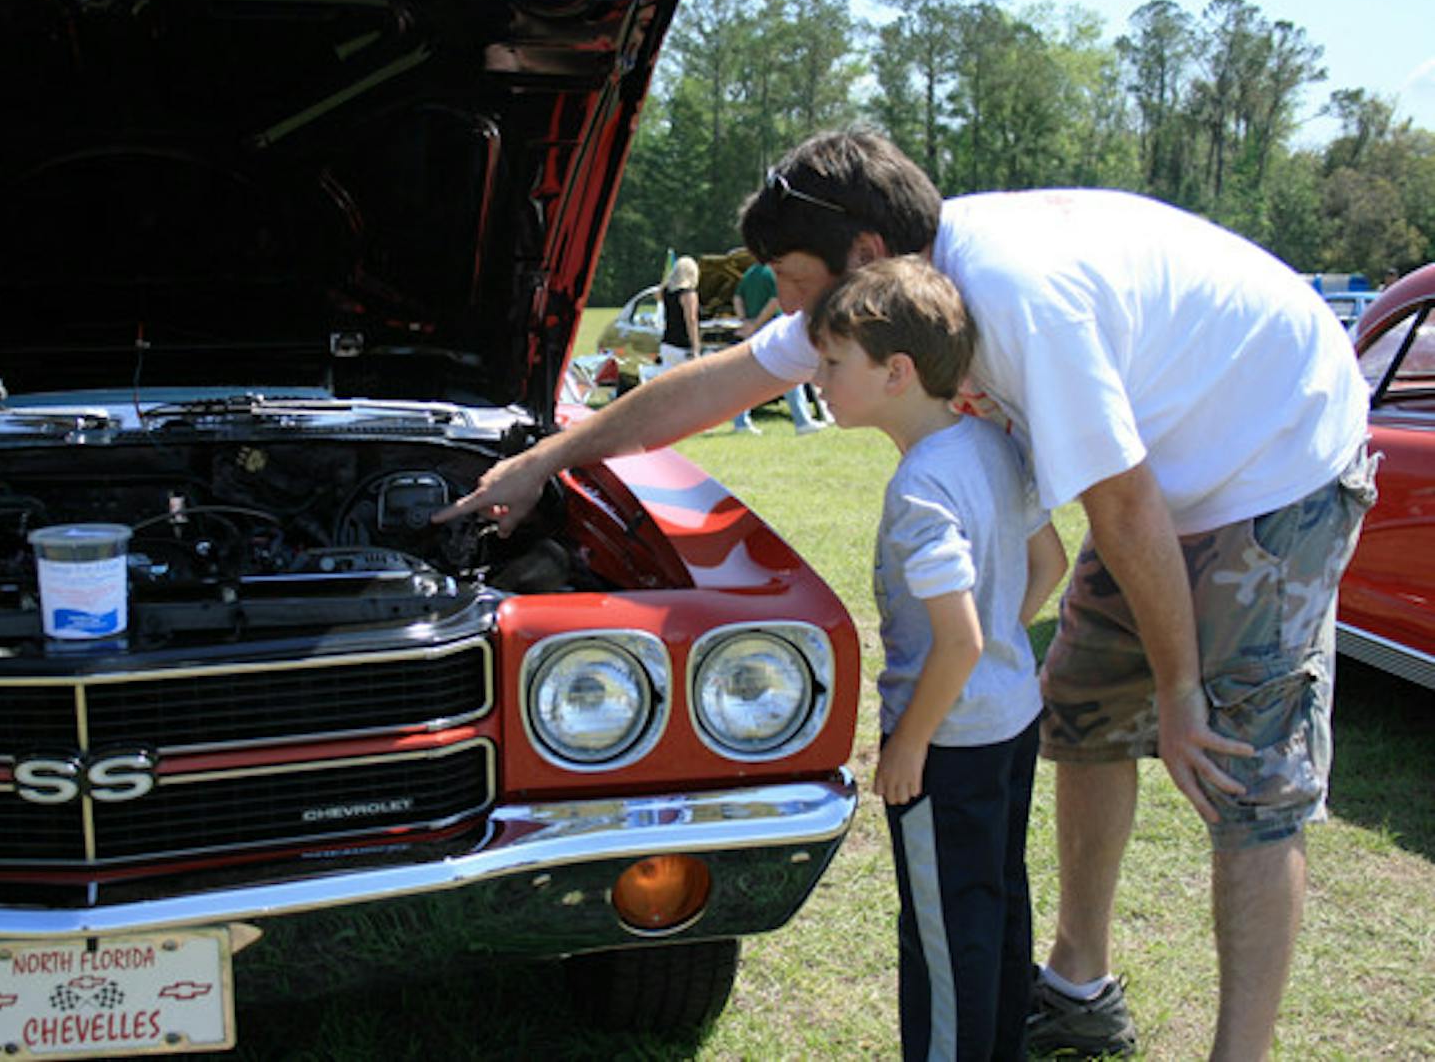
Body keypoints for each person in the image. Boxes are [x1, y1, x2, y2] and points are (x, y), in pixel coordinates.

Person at [437, 129, 1373, 1061]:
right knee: (1084, 713)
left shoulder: (1015, 302)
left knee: (1246, 777)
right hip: (1154, 468)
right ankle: (1080, 987)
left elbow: (1123, 508)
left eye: (796, 280)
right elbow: (719, 384)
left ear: (868, 253)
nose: (790, 309)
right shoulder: (891, 305)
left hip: (1273, 442)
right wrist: (548, 457)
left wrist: (1178, 692)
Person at [812, 255, 1066, 1059]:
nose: (818, 377)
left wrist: (911, 740)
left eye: (832, 361)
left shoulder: (922, 487)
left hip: (948, 748)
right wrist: (1001, 643)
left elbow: (955, 640)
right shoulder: (992, 443)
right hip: (1011, 720)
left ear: (896, 371)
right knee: (994, 902)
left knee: (943, 936)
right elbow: (1050, 563)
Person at [731, 260, 825, 435]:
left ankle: (740, 422)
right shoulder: (773, 273)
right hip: (772, 328)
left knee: (749, 377)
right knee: (790, 370)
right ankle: (802, 420)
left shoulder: (749, 273)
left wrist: (744, 321)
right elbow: (775, 301)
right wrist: (757, 324)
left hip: (753, 329)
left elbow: (737, 298)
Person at [658, 255, 700, 370]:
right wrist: (696, 348)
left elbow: (658, 294)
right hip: (683, 347)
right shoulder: (688, 294)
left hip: (667, 344)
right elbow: (691, 320)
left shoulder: (666, 291)